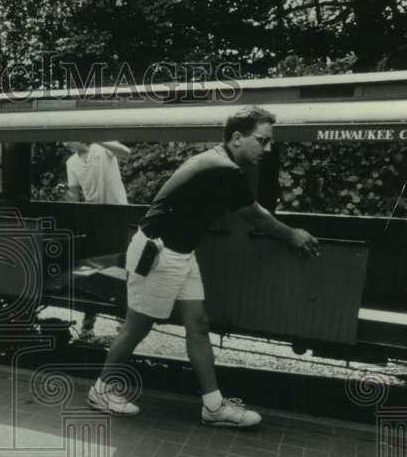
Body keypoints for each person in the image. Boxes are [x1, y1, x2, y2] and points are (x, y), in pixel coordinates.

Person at [87, 106, 320, 426]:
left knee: (198, 324)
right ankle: (101, 390)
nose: (266, 149)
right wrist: (292, 234)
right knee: (137, 327)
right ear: (237, 138)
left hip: (179, 253)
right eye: (262, 141)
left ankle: (213, 407)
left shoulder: (217, 160)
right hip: (160, 253)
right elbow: (255, 215)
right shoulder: (224, 169)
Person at [63, 140, 131, 341]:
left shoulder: (102, 149)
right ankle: (87, 328)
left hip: (119, 216)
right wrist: (67, 201)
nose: (64, 142)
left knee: (121, 270)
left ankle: (123, 326)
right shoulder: (71, 163)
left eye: (68, 136)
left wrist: (96, 136)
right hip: (94, 219)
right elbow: (74, 195)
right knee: (93, 272)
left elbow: (126, 152)